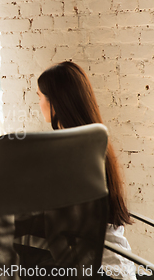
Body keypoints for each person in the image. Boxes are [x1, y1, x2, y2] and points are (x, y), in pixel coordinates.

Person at [37, 61, 136, 280]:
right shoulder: (95, 142)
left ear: (55, 102)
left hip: (98, 272)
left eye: (40, 97)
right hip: (120, 266)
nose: (38, 104)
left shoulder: (68, 152)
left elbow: (56, 231)